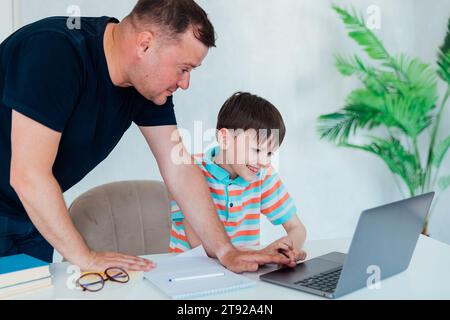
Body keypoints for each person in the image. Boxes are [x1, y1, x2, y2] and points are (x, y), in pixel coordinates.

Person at [0, 0, 293, 273]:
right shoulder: (54, 52)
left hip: (30, 214)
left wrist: (226, 251)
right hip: (21, 198)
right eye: (183, 68)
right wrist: (85, 257)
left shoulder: (143, 86)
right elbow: (29, 175)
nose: (185, 82)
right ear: (145, 44)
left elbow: (178, 166)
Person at [169, 92, 307, 262]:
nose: (264, 161)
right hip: (190, 272)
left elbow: (297, 228)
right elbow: (198, 244)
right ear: (225, 139)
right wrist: (260, 254)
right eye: (257, 150)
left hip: (243, 272)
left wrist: (288, 248)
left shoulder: (263, 176)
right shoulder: (189, 170)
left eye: (270, 153)